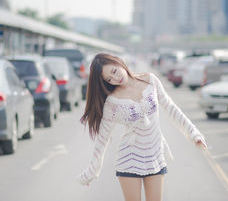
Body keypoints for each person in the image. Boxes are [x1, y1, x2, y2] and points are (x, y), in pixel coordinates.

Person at [76, 53, 207, 201]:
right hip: (128, 160)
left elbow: (172, 109)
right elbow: (102, 139)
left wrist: (194, 134)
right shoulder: (112, 102)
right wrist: (91, 171)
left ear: (119, 62)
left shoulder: (151, 81)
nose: (115, 78)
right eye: (109, 79)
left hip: (155, 156)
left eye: (114, 71)